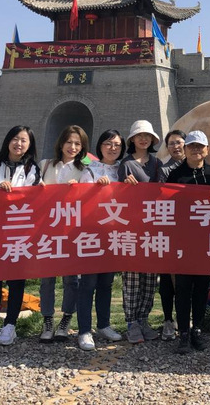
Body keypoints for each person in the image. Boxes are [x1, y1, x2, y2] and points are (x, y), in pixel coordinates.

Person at [0, 125, 41, 347]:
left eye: (24, 140)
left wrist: (9, 190)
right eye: (15, 139)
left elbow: (31, 194)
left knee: (16, 279)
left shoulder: (32, 168)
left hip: (19, 232)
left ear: (30, 145)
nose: (18, 144)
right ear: (7, 141)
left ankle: (10, 325)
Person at [167, 130, 210, 354]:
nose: (196, 150)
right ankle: (183, 333)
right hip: (183, 242)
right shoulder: (175, 176)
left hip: (206, 242)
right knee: (182, 290)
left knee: (201, 288)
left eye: (200, 146)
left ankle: (197, 330)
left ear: (207, 150)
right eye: (192, 146)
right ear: (185, 149)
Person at [37, 125, 90, 344]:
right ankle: (47, 319)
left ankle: (66, 319)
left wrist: (80, 189)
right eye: (69, 142)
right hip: (47, 230)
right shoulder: (45, 165)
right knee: (47, 278)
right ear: (61, 143)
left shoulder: (85, 170)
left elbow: (91, 197)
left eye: (78, 144)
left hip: (71, 232)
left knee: (71, 279)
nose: (73, 147)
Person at [77, 129, 127, 350]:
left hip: (113, 234)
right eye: (108, 143)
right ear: (100, 146)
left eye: (117, 144)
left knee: (106, 283)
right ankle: (84, 330)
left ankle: (104, 325)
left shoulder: (124, 169)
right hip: (92, 233)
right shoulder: (90, 170)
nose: (113, 148)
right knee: (88, 283)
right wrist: (95, 189)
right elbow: (80, 198)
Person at [118, 120, 162, 344]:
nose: (143, 139)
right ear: (132, 140)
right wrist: (124, 186)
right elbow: (116, 196)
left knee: (150, 278)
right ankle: (131, 322)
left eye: (147, 136)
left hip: (153, 227)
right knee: (132, 278)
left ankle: (144, 319)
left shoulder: (156, 163)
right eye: (139, 135)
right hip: (132, 227)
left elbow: (162, 191)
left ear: (152, 140)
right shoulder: (125, 164)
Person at [157, 129, 187, 341]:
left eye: (179, 142)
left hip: (193, 230)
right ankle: (168, 319)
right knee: (167, 278)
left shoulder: (198, 166)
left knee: (189, 278)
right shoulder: (164, 170)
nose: (176, 146)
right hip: (169, 229)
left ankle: (187, 318)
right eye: (171, 143)